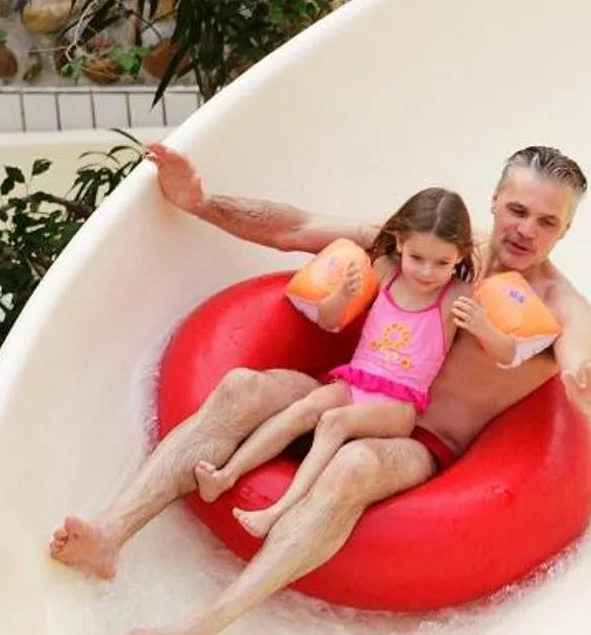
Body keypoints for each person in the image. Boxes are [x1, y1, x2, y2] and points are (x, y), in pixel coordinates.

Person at [41, 142, 591, 635]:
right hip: (351, 387)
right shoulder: (438, 246)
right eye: (518, 210)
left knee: (354, 464)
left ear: (566, 231)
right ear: (495, 201)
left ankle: (203, 625)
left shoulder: (560, 307)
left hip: (420, 442)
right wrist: (199, 202)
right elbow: (300, 228)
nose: (527, 230)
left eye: (548, 221)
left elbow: (581, 365)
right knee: (243, 388)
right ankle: (109, 534)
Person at [189, 187, 508, 537]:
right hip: (356, 382)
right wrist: (343, 294)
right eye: (418, 258)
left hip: (399, 404)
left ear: (459, 255)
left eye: (442, 263)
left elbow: (506, 353)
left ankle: (279, 510)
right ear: (400, 242)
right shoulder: (384, 270)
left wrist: (484, 328)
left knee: (333, 422)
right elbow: (330, 319)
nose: (428, 272)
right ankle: (224, 477)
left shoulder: (457, 296)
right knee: (305, 408)